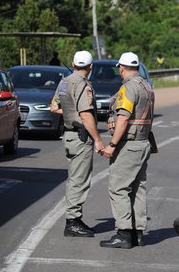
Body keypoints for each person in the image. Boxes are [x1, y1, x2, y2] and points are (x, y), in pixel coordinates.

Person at [100, 52, 155, 249]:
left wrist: (112, 145)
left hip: (129, 144)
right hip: (143, 143)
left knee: (118, 187)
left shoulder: (129, 88)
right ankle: (137, 233)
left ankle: (123, 233)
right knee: (138, 188)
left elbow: (123, 118)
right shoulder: (146, 86)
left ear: (121, 68)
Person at [50, 50, 105, 237]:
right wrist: (98, 139)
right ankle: (72, 221)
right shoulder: (83, 85)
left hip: (69, 136)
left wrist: (69, 113)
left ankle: (74, 218)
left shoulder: (64, 82)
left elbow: (54, 107)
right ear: (90, 67)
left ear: (73, 64)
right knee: (80, 180)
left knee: (74, 178)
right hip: (81, 137)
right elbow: (86, 114)